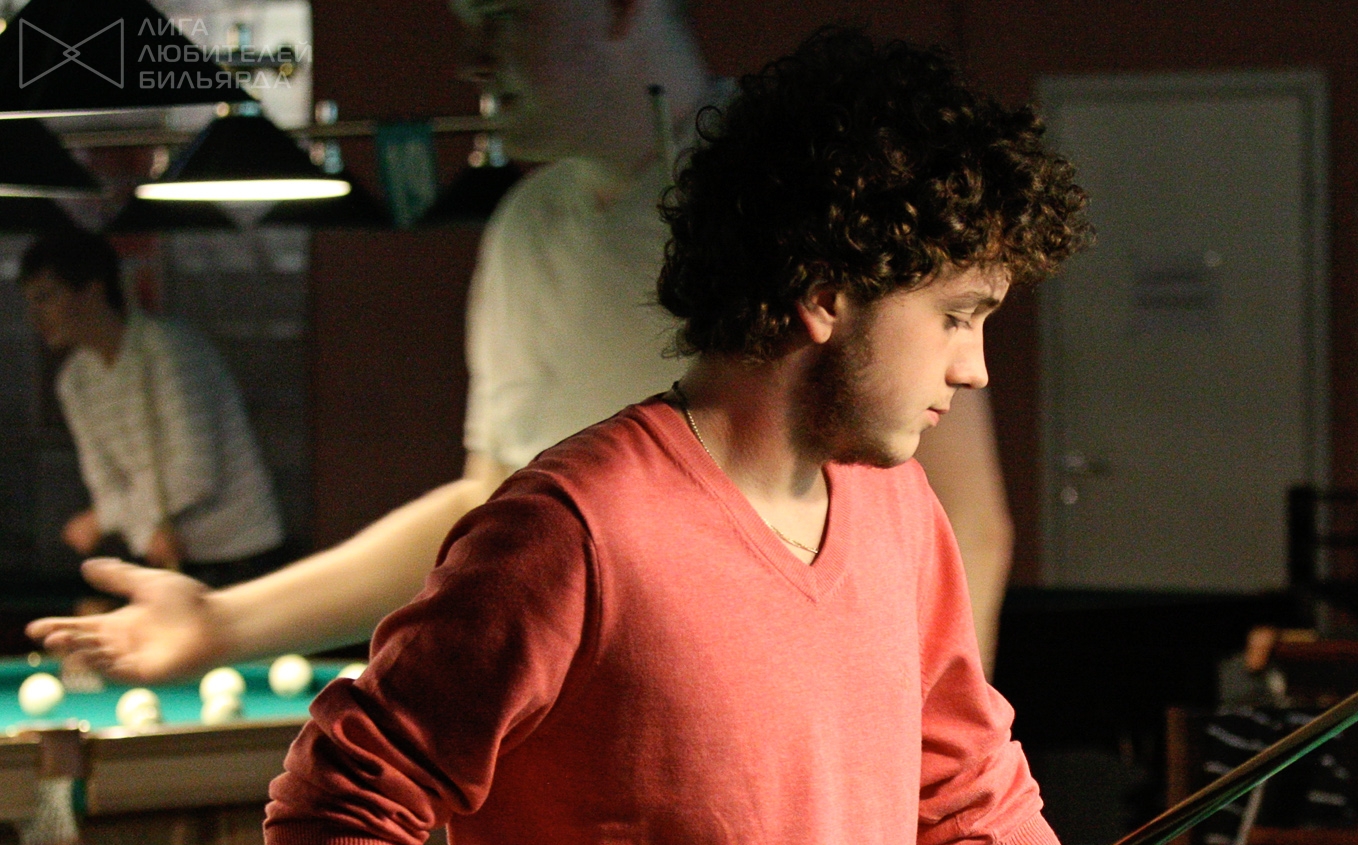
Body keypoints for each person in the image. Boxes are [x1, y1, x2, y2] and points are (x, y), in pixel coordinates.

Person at [264, 31, 1358, 845]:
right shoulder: (570, 531)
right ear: (819, 292)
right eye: (955, 315)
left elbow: (977, 817)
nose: (973, 366)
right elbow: (328, 815)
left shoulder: (900, 516)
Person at [26, 0, 1015, 684]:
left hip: (815, 757)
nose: (474, 59)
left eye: (507, 20)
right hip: (604, 757)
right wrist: (223, 621)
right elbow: (490, 508)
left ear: (620, 9)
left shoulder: (829, 191)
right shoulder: (527, 228)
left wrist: (916, 783)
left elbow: (965, 522)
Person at [18, 228, 285, 589]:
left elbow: (195, 475)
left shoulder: (169, 349)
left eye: (46, 297)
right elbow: (104, 484)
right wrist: (144, 531)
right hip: (165, 555)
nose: (36, 316)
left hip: (242, 555)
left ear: (92, 291)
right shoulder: (74, 380)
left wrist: (101, 520)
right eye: (31, 301)